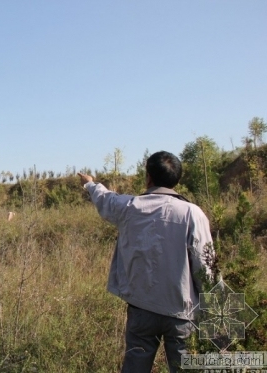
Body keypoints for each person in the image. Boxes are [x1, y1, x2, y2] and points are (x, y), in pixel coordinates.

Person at [78, 151, 214, 373]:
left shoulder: (130, 206)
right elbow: (205, 266)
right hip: (182, 313)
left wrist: (90, 184)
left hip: (141, 309)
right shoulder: (192, 214)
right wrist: (211, 310)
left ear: (148, 177)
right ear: (176, 179)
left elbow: (105, 198)